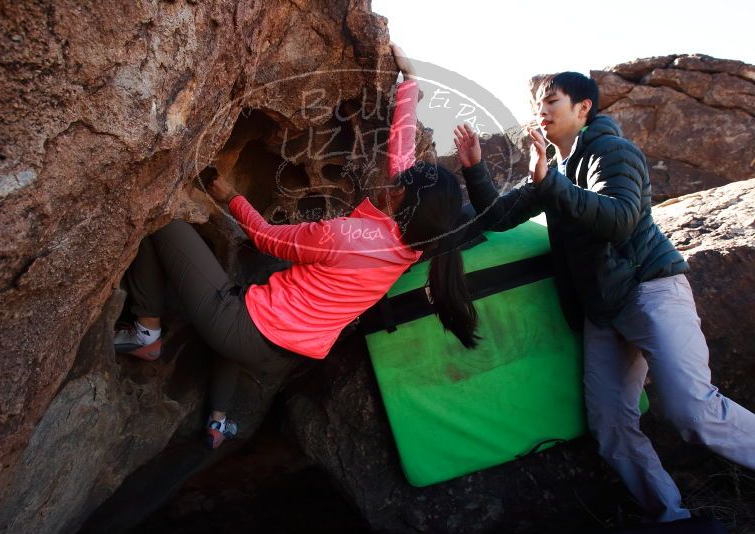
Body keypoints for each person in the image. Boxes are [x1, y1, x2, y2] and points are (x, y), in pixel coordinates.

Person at [114, 44, 478, 449]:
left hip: (243, 327)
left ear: (400, 199)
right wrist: (409, 85)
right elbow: (401, 156)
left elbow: (266, 237)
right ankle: (218, 422)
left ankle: (146, 329)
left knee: (162, 219)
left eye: (399, 183)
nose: (393, 178)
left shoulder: (346, 237)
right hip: (285, 354)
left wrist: (229, 195)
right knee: (242, 346)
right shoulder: (414, 246)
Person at [453, 71, 755, 522]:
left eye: (551, 101)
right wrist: (475, 168)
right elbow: (499, 217)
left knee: (692, 411)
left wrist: (549, 185)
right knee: (611, 427)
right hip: (603, 310)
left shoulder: (613, 151)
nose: (541, 110)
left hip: (649, 289)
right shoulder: (555, 169)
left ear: (583, 108)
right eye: (538, 102)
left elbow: (618, 218)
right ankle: (670, 517)